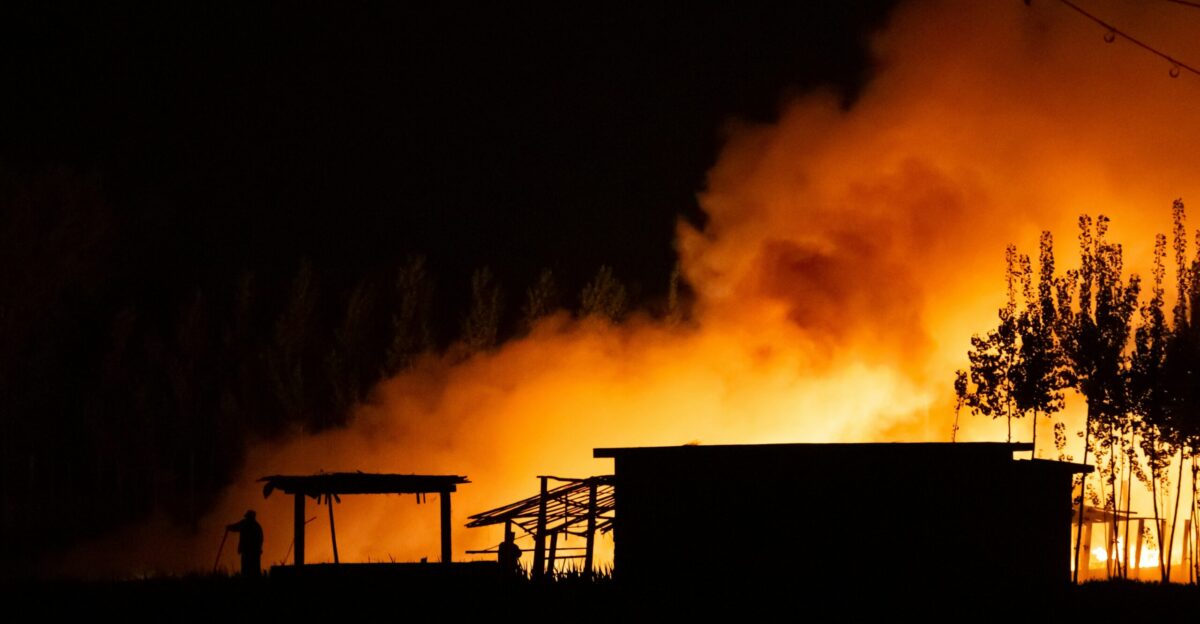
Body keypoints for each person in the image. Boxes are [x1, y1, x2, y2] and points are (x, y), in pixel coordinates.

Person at [226, 509, 264, 577]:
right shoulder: (257, 526)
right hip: (255, 552)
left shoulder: (245, 524)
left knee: (246, 569)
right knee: (255, 569)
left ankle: (247, 581)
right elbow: (261, 539)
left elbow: (235, 527)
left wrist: (229, 527)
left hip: (247, 551)